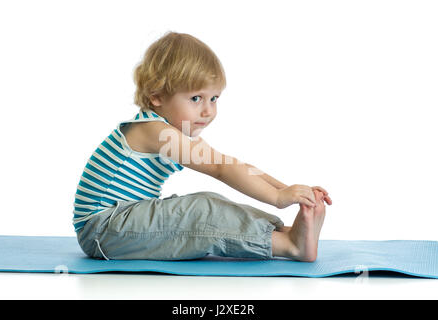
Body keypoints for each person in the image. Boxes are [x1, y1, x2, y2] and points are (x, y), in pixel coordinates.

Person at [73, 31, 333, 262]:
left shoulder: (173, 133)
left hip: (122, 223)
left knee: (209, 202)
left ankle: (284, 233)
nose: (208, 110)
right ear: (156, 95)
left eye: (214, 98)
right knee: (201, 211)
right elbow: (220, 168)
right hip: (102, 230)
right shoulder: (154, 132)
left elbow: (232, 165)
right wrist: (277, 198)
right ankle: (290, 246)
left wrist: (286, 189)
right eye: (196, 98)